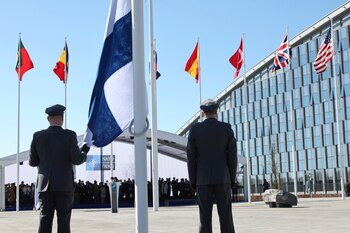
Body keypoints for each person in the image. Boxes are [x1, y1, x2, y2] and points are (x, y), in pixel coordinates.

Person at [29, 104, 90, 233]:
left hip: (44, 185)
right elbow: (77, 160)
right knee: (64, 220)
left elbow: (32, 162)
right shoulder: (69, 135)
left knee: (45, 220)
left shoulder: (37, 136)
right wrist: (84, 152)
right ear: (62, 118)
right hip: (64, 185)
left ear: (48, 119)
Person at [187, 99, 237, 233]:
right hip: (223, 178)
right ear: (217, 111)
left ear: (203, 113)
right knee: (226, 216)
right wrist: (232, 178)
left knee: (204, 217)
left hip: (202, 180)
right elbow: (232, 157)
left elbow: (191, 157)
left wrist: (193, 181)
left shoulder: (195, 129)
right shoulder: (226, 128)